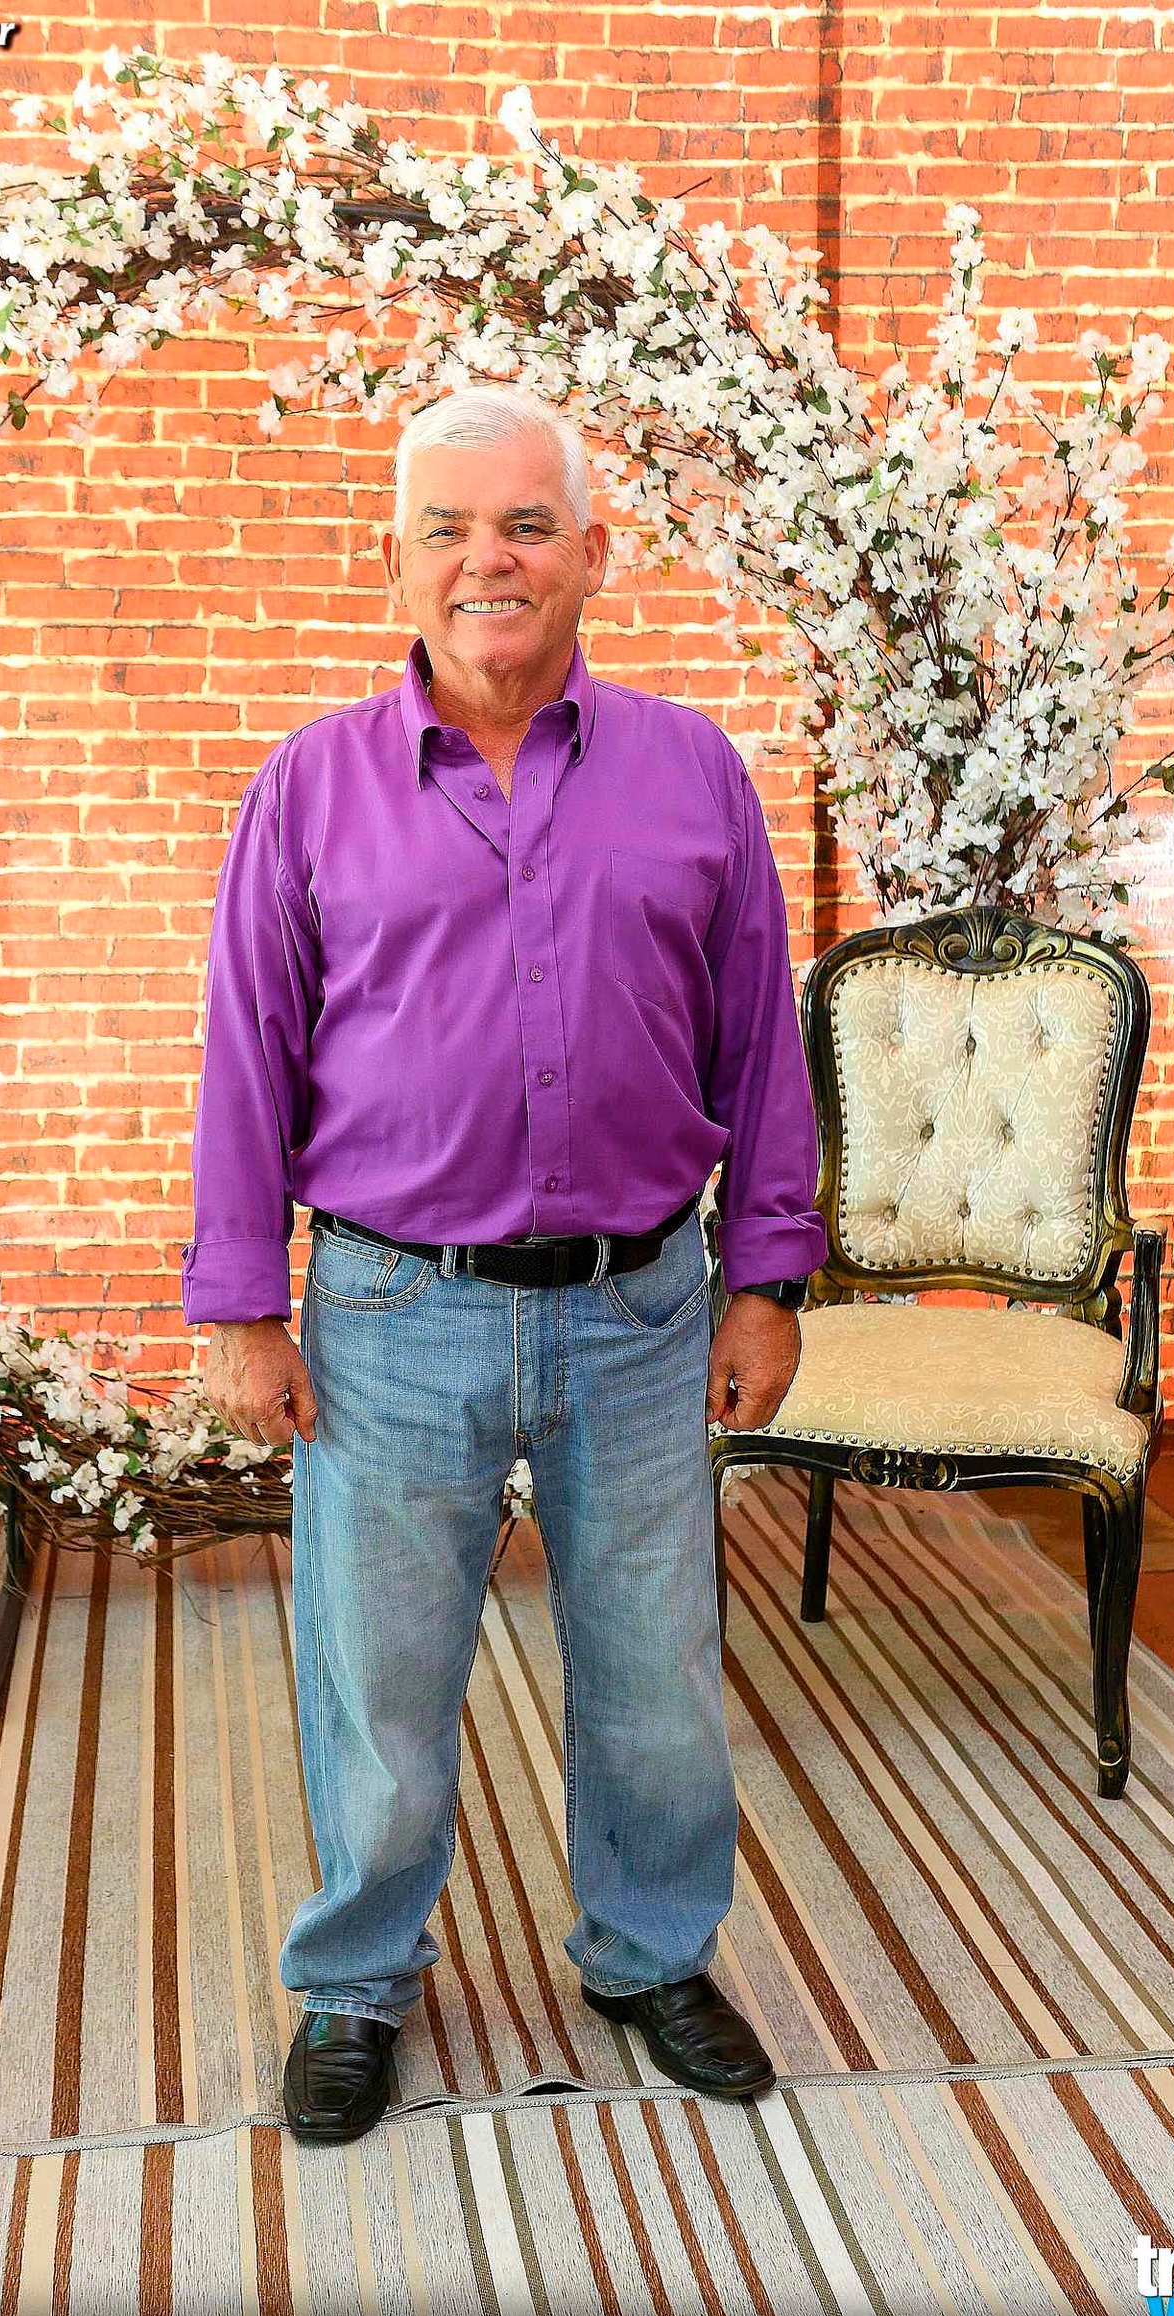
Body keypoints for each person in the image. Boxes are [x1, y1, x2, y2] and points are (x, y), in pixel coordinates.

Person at [184, 382, 826, 2145]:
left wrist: (767, 1275)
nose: (492, 560)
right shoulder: (309, 788)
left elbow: (760, 1042)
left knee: (655, 1670)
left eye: (529, 525)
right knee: (382, 1678)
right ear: (394, 561)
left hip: (642, 1308)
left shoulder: (695, 773)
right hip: (391, 1313)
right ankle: (356, 1980)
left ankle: (650, 1954)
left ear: (593, 554)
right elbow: (248, 1054)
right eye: (450, 529)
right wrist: (242, 1305)